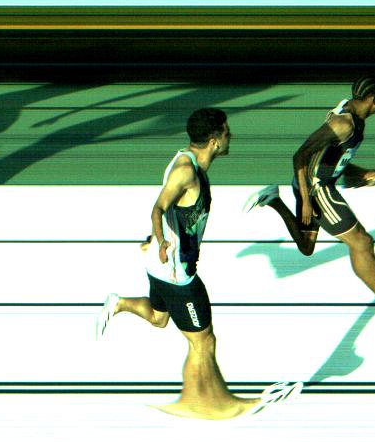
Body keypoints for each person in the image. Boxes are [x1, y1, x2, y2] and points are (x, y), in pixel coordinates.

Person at [95, 108, 302, 420]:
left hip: (158, 265)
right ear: (215, 141)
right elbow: (158, 208)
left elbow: (171, 210)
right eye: (227, 131)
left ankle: (120, 303)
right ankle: (217, 403)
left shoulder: (189, 161)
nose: (231, 136)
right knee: (202, 342)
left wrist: (156, 241)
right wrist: (160, 240)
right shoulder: (186, 172)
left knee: (159, 318)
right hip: (175, 272)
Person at [243, 76, 375, 317]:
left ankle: (274, 200)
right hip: (316, 188)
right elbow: (300, 155)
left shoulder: (355, 115)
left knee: (306, 246)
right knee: (361, 242)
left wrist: (362, 173)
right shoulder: (344, 123)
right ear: (373, 98)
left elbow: (332, 157)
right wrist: (306, 200)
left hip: (316, 183)